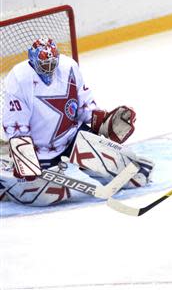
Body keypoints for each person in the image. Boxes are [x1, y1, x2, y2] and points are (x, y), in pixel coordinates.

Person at [0, 38, 153, 206]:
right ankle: (5, 183)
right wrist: (24, 158)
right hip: (40, 148)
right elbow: (15, 124)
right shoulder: (20, 78)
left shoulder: (68, 67)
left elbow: (84, 103)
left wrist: (101, 123)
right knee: (52, 194)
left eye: (52, 63)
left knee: (134, 176)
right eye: (44, 65)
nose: (49, 69)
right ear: (33, 59)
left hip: (72, 135)